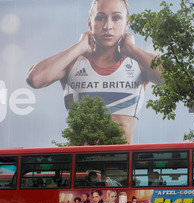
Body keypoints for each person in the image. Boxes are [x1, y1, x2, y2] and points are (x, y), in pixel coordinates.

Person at [26, 0, 163, 143]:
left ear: (126, 24)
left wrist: (134, 50)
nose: (107, 26)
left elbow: (174, 79)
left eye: (116, 18)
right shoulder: (73, 63)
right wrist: (79, 47)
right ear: (90, 23)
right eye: (100, 17)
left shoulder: (139, 63)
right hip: (78, 161)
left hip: (119, 162)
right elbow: (35, 79)